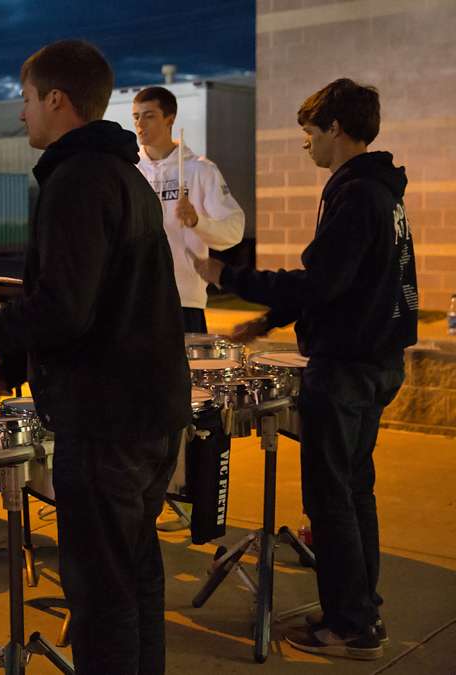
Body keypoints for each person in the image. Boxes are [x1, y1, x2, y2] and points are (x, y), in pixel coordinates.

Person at [0, 40, 190, 673]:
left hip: (105, 423)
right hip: (148, 413)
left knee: (100, 595)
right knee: (135, 576)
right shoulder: (122, 174)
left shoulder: (76, 181)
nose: (22, 115)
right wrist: (10, 369)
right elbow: (97, 301)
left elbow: (63, 310)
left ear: (56, 100)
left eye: (26, 100)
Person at [195, 78, 416, 661]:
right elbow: (340, 286)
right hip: (376, 361)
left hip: (346, 367)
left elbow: (321, 282)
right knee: (355, 489)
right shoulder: (381, 192)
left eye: (309, 135)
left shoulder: (358, 195)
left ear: (335, 129)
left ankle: (351, 626)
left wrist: (228, 277)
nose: (307, 146)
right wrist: (265, 322)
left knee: (331, 498)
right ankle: (360, 606)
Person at [133, 86, 245, 334]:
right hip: (134, 298)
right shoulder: (131, 171)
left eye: (149, 115)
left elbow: (234, 231)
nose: (140, 123)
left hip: (184, 300)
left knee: (184, 373)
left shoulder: (200, 170)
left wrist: (197, 221)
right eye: (136, 116)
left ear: (169, 119)